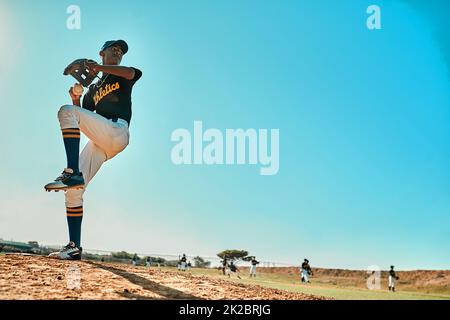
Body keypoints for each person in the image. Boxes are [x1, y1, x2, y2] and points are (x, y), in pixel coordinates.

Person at [45, 40, 142, 260]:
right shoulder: (93, 90)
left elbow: (130, 73)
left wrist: (98, 69)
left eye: (120, 51)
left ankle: (72, 173)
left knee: (65, 112)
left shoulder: (123, 74)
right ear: (101, 52)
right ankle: (74, 247)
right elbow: (80, 118)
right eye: (113, 48)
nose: (118, 51)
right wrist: (77, 99)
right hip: (101, 142)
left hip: (117, 130)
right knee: (74, 191)